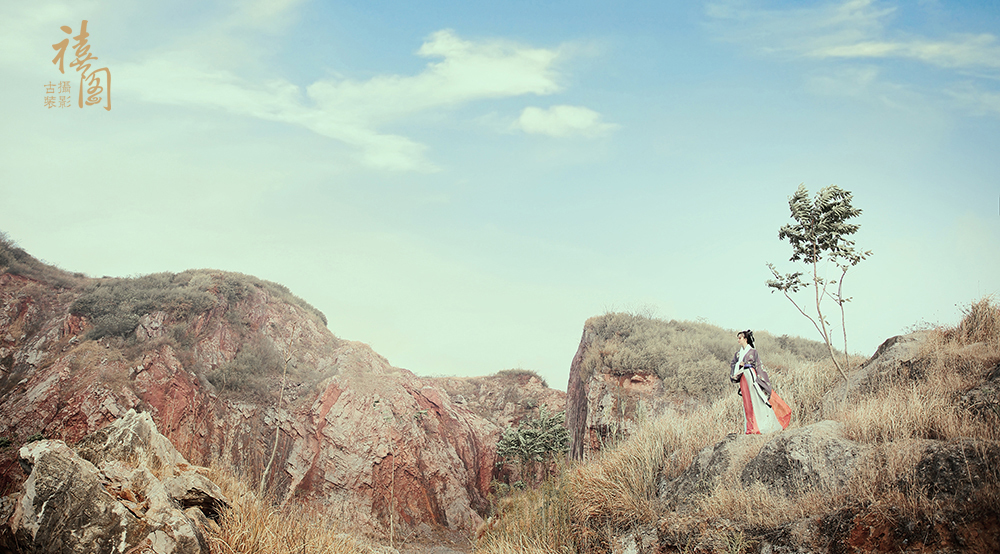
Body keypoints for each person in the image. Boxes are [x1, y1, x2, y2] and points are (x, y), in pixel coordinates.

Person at [729, 330, 783, 434]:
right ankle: (750, 427)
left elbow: (758, 366)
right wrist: (738, 365)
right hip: (743, 378)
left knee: (756, 400)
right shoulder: (738, 354)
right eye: (738, 338)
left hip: (751, 377)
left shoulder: (753, 352)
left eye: (740, 338)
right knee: (747, 402)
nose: (738, 340)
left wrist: (745, 365)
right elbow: (733, 364)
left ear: (745, 339)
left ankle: (761, 425)